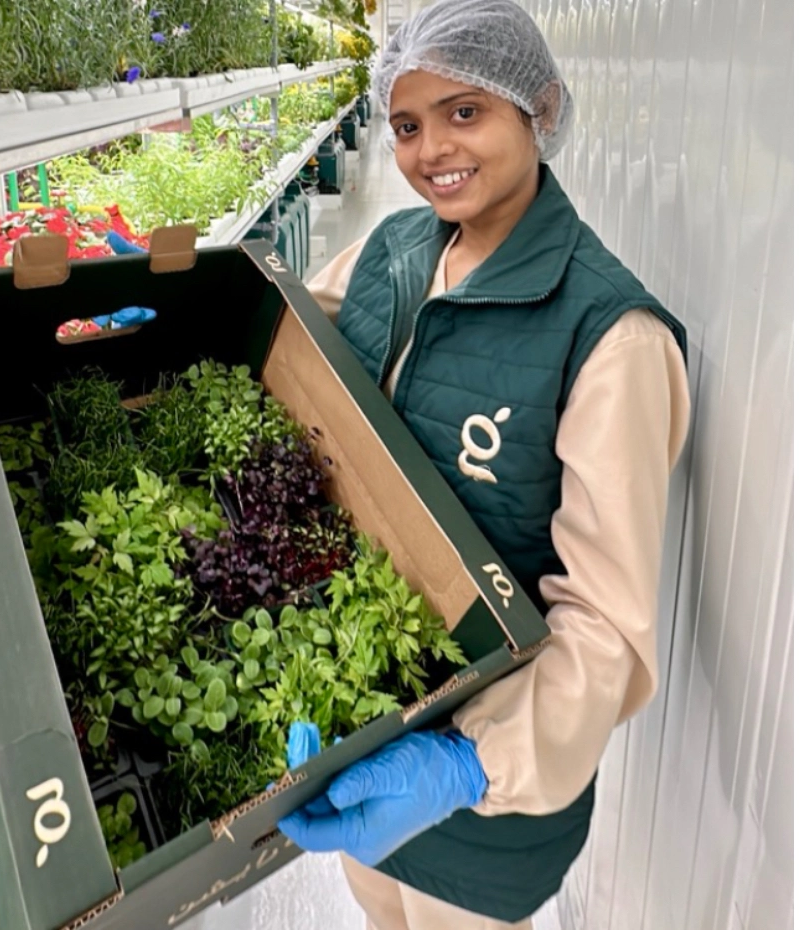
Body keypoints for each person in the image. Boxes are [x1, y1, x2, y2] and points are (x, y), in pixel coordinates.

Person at [277, 1, 692, 928]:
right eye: (409, 124)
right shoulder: (393, 250)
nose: (433, 151)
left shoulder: (611, 338)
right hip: (365, 728)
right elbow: (288, 335)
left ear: (538, 108)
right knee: (376, 904)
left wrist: (467, 764)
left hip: (483, 807)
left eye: (466, 112)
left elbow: (605, 637)